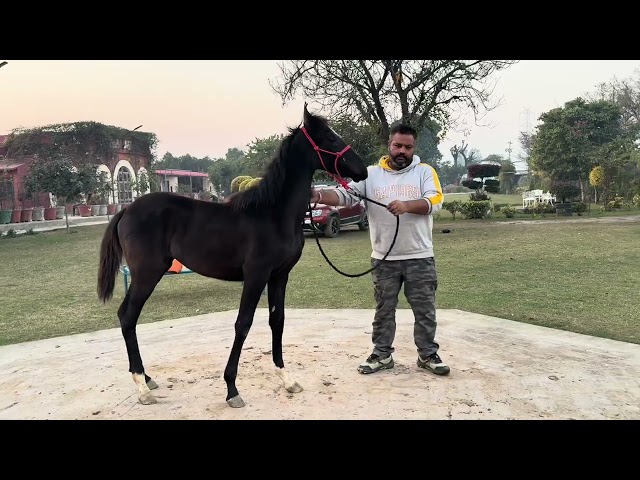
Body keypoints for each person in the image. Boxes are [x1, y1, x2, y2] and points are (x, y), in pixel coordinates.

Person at [309, 123, 449, 376]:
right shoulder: (370, 174)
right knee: (384, 310)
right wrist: (316, 195)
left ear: (413, 148)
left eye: (408, 147)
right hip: (384, 258)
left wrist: (407, 205)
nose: (402, 151)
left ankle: (427, 354)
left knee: (425, 310)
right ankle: (382, 355)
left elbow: (435, 200)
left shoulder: (424, 172)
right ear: (389, 145)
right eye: (398, 146)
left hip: (420, 256)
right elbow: (344, 196)